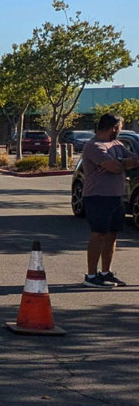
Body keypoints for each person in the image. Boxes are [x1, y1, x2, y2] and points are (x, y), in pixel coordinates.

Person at [80, 113, 139, 288]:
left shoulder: (117, 144)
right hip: (97, 197)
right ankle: (91, 276)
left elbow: (135, 161)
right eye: (120, 127)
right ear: (113, 127)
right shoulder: (94, 146)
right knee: (98, 234)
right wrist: (120, 164)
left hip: (116, 196)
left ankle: (106, 272)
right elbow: (115, 168)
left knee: (112, 235)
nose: (120, 130)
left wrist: (119, 162)